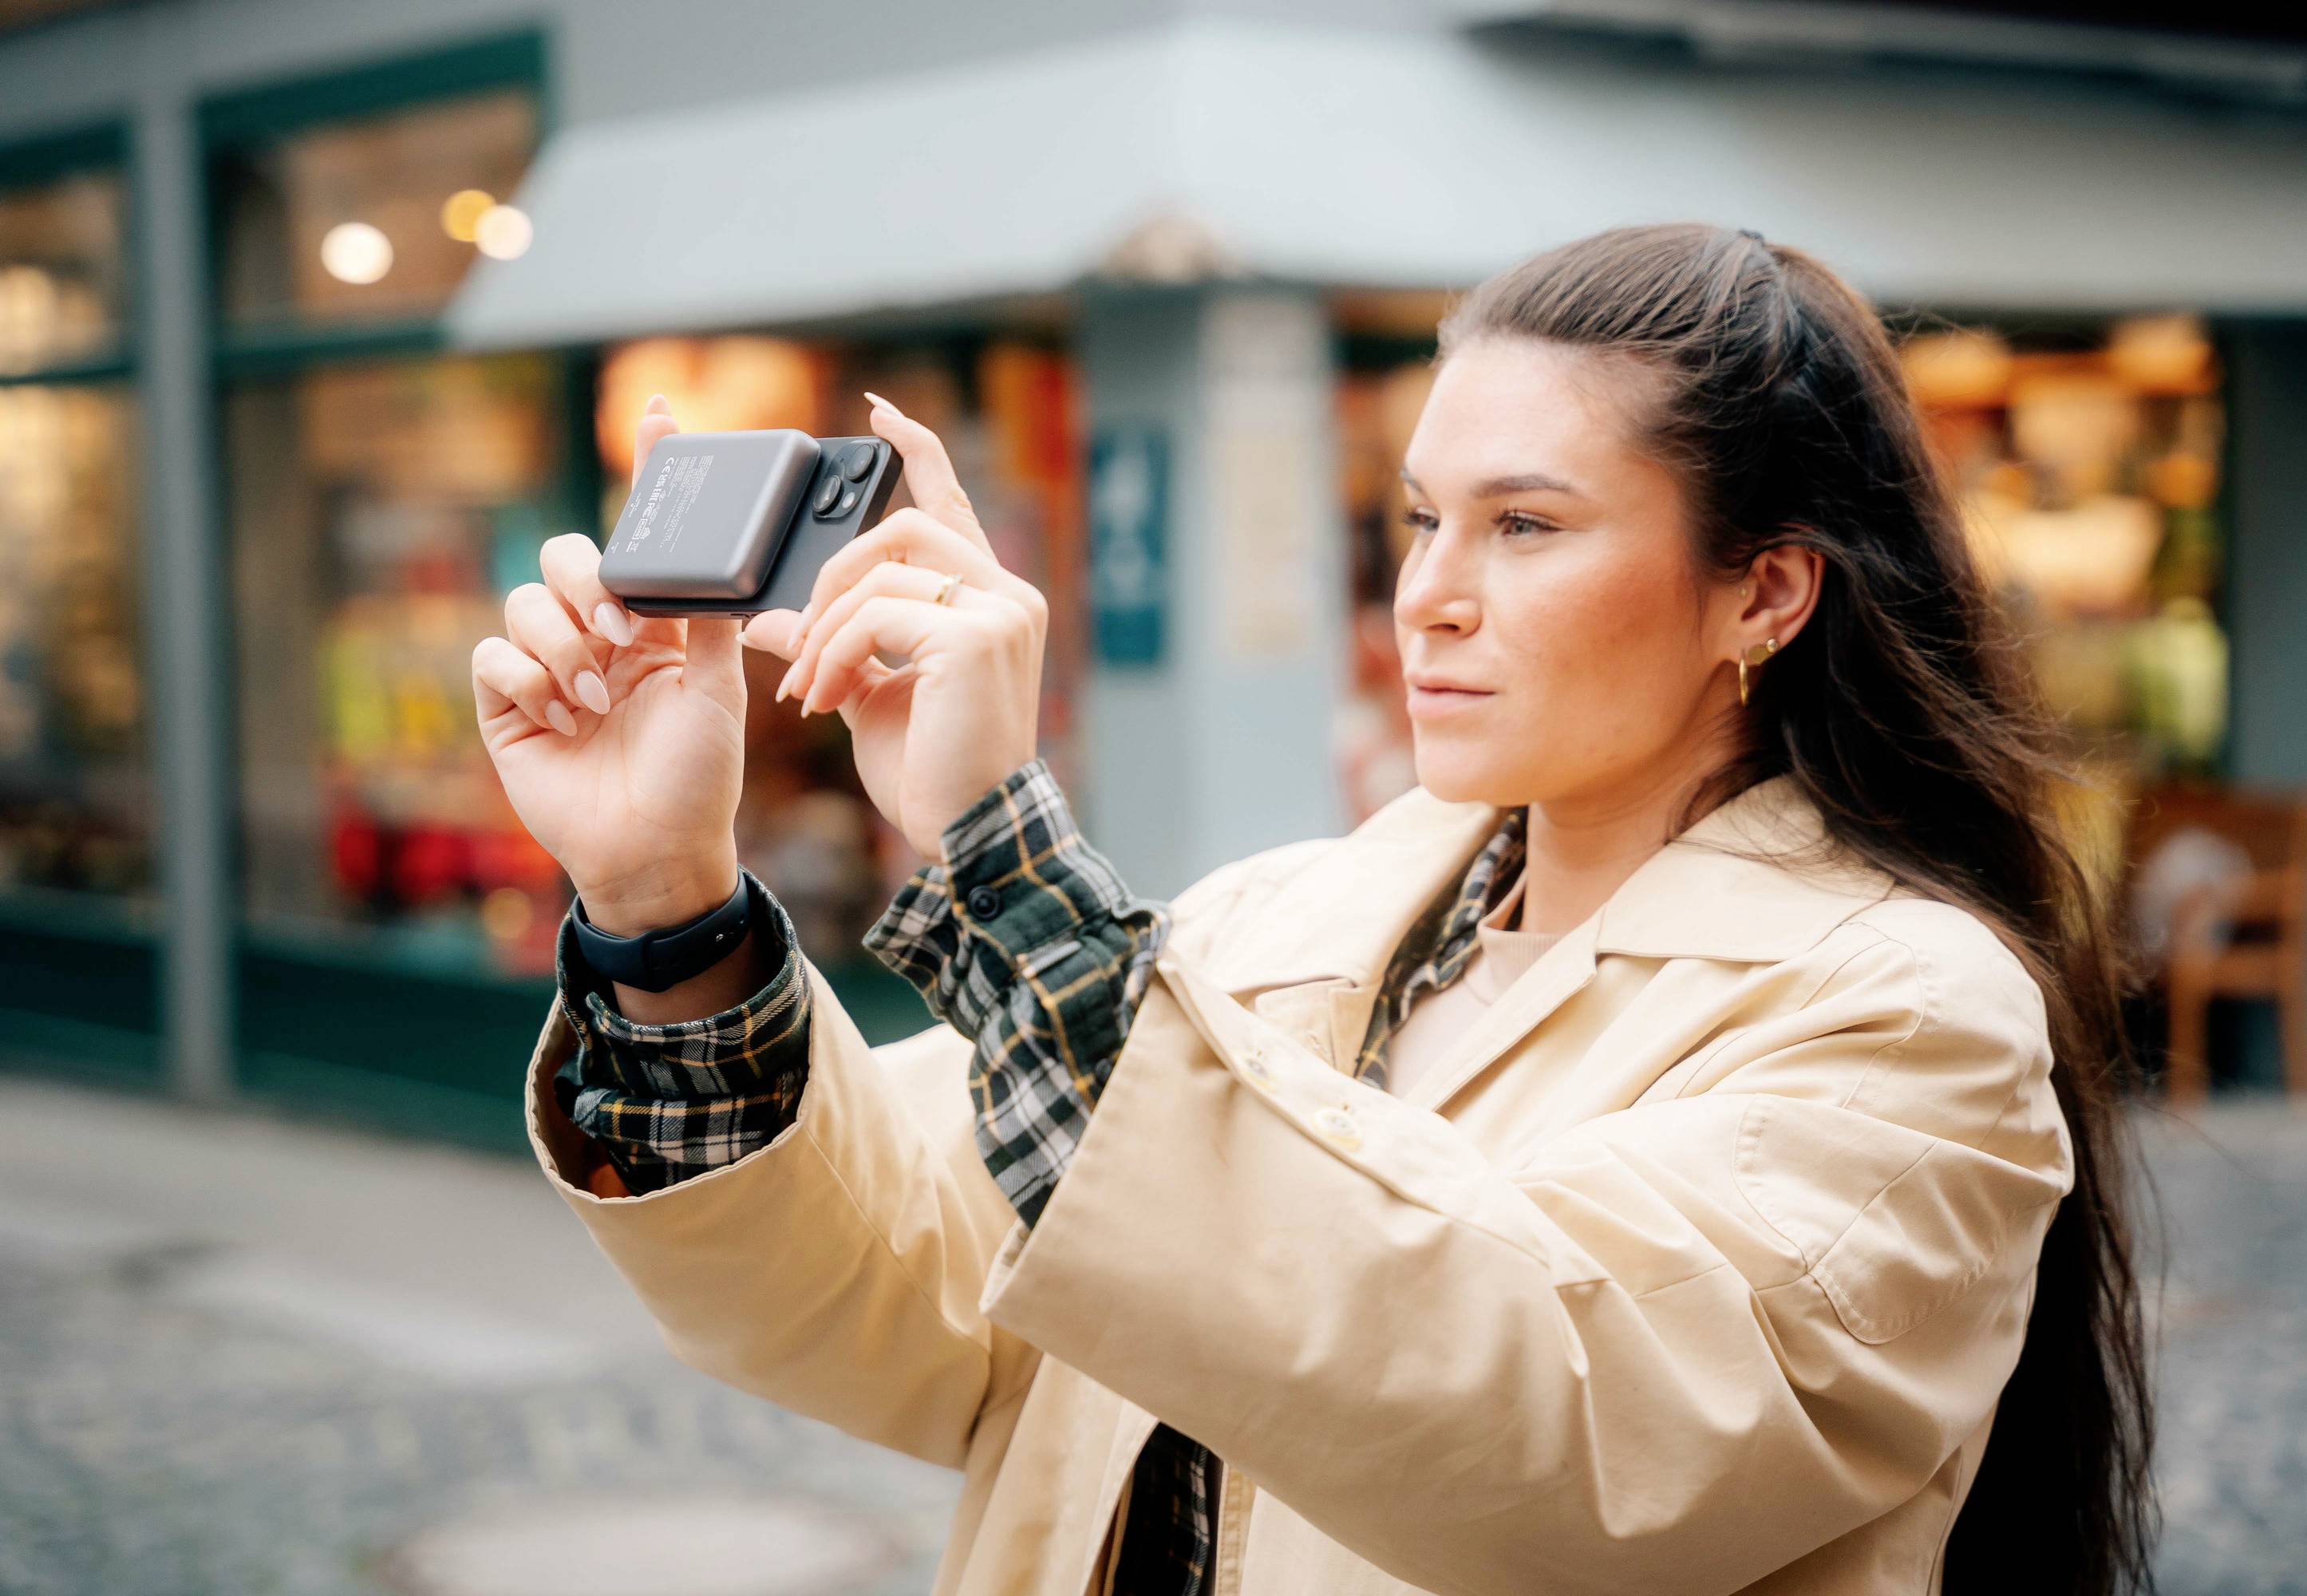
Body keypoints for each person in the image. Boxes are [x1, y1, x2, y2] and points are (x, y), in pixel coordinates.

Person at [470, 223, 2155, 1595]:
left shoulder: (1907, 1011)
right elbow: (899, 1283)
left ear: (1764, 591)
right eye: (1422, 519)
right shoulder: (1282, 923)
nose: (1430, 595)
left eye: (1526, 525)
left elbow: (1554, 1430)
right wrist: (665, 897)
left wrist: (1002, 853)